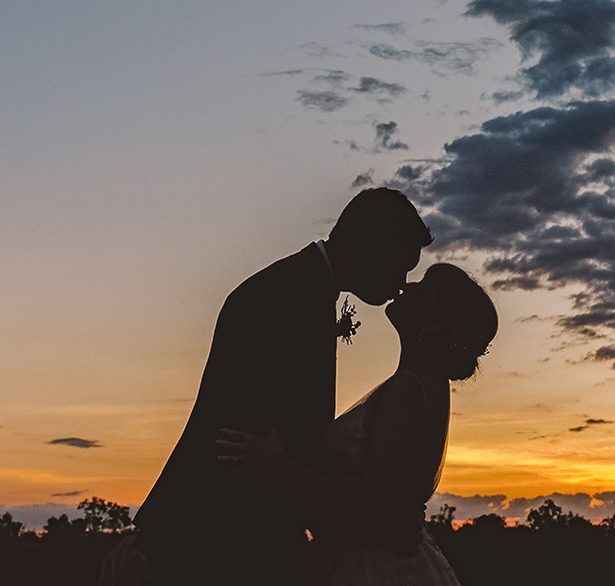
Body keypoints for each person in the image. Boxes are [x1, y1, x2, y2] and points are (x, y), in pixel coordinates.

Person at [128, 188, 432, 585]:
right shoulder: (288, 298)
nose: (400, 284)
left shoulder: (301, 287)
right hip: (217, 533)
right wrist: (362, 522)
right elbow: (277, 437)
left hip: (231, 528)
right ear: (366, 248)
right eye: (398, 267)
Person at [215, 262, 498, 586]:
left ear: (432, 324)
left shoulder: (406, 390)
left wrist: (273, 462)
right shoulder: (429, 387)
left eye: (422, 289)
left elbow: (368, 508)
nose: (407, 286)